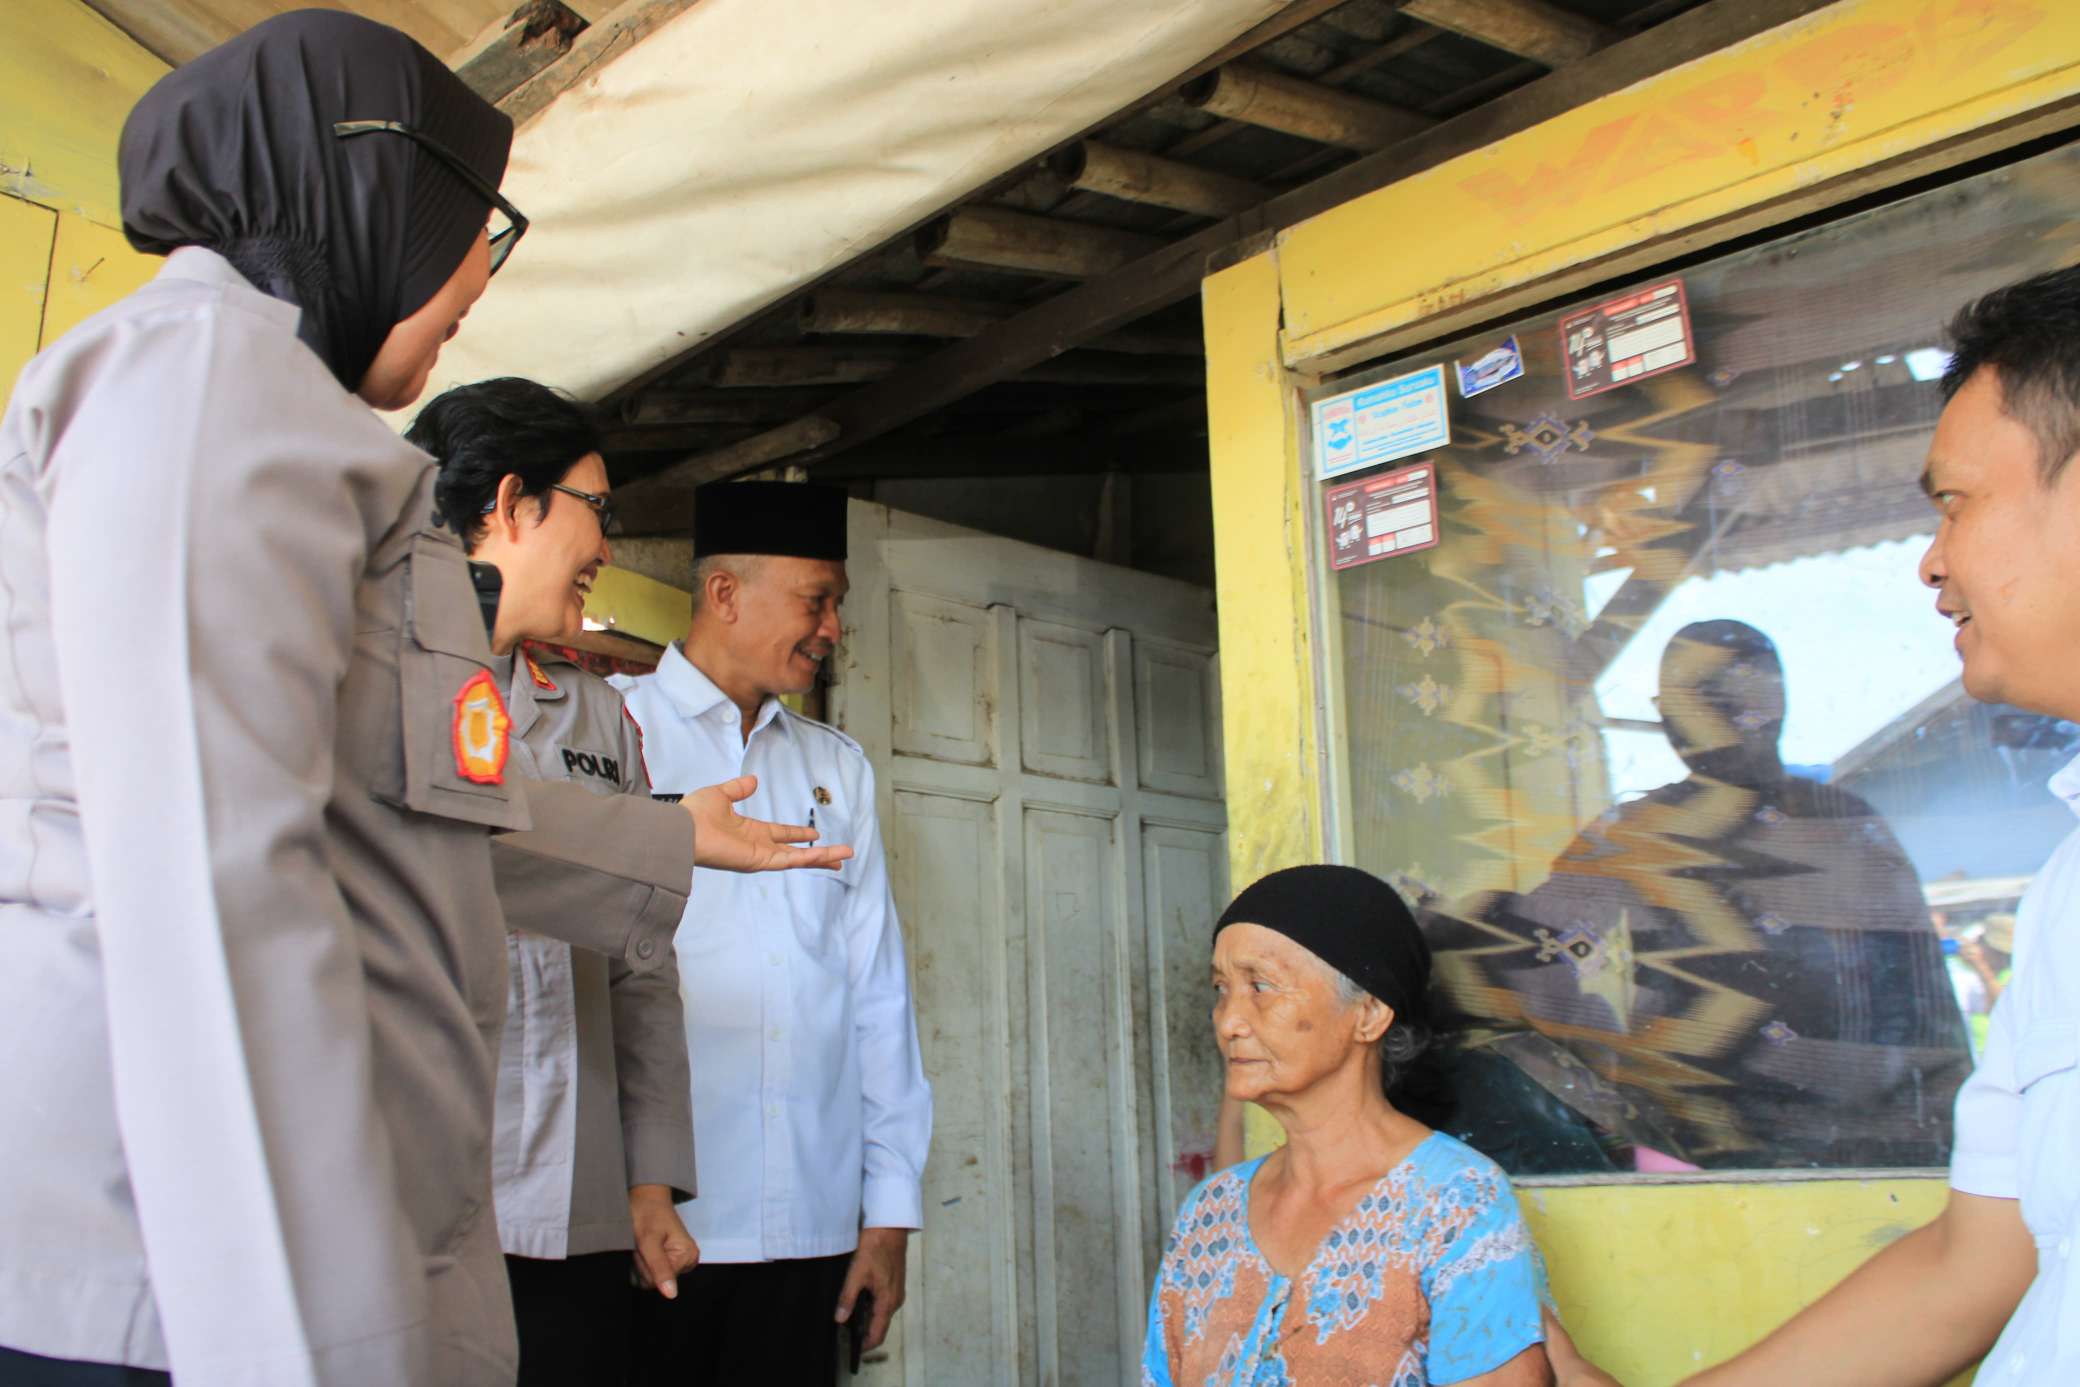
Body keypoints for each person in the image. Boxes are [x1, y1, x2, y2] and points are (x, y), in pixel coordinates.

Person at [0, 18, 839, 1385]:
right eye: (477, 227)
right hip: (179, 1278)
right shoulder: (205, 378)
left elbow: (415, 808)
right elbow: (210, 885)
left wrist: (673, 833)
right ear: (374, 192)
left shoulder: (271, 406)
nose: (476, 284)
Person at [1546, 265, 2080, 1385]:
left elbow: (1921, 1027)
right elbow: (1972, 1262)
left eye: (1955, 503)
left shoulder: (1849, 832)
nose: (1931, 560)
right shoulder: (2068, 881)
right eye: (1702, 694)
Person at [407, 378, 709, 1385]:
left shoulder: (593, 715)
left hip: (573, 1199)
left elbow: (642, 974)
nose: (608, 547)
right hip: (416, 1184)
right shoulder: (373, 681)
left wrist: (651, 1179)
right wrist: (675, 837)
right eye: (598, 509)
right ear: (509, 503)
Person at [1435, 619, 1968, 1172]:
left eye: (1740, 692)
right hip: (1710, 1174)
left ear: (1778, 700)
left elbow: (1923, 1013)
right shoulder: (1626, 838)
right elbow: (1535, 953)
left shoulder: (1845, 827)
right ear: (1662, 712)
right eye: (1700, 696)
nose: (1725, 714)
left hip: (1885, 1165)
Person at [620, 481, 933, 1385]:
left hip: (813, 1230)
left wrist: (887, 1216)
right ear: (725, 594)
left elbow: (878, 997)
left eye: (836, 604)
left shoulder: (838, 769)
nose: (833, 627)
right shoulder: (619, 731)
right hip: (666, 1227)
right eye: (816, 600)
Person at [1146, 865, 1550, 1387]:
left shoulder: (1454, 1202)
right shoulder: (1210, 1212)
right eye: (1222, 989)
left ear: (1369, 1014)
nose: (1227, 1021)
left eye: (1261, 986)